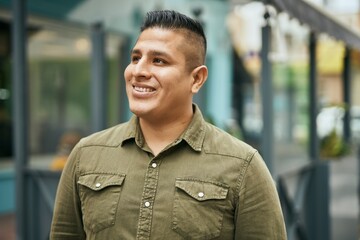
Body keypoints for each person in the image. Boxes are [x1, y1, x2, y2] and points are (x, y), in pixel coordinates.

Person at [50, 10, 286, 239]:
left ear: (196, 79)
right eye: (135, 58)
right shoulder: (86, 154)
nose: (139, 70)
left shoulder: (243, 166)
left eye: (159, 60)